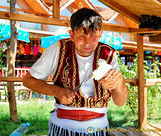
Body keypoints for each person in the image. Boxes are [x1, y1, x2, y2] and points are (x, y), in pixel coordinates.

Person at [23, 8, 129, 136]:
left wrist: (119, 83)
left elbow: (120, 102)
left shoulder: (108, 54)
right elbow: (28, 80)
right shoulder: (59, 49)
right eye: (81, 36)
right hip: (62, 128)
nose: (87, 43)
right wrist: (57, 91)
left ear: (100, 34)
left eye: (93, 36)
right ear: (71, 35)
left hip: (99, 129)